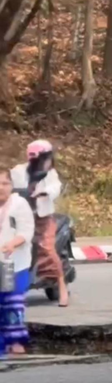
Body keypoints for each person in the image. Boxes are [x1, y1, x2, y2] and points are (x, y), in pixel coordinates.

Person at [10, 140, 68, 307]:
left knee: (46, 248)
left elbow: (55, 187)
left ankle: (62, 286)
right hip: (21, 218)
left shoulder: (50, 174)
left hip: (43, 219)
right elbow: (6, 184)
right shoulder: (18, 171)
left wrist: (45, 192)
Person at [0, 169, 35, 356]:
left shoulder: (19, 204)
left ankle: (15, 340)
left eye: (4, 183)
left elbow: (26, 230)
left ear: (11, 185)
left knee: (12, 302)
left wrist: (14, 243)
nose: (1, 188)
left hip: (14, 263)